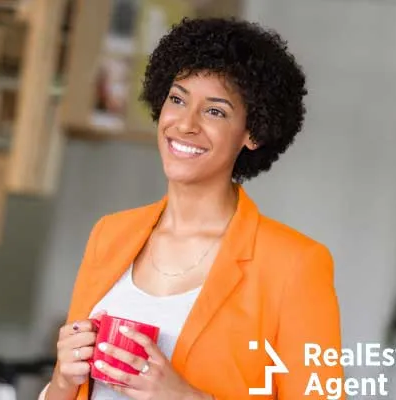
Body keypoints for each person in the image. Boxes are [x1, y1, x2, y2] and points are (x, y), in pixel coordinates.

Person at [42, 17, 344, 400]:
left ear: (253, 132)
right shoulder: (110, 234)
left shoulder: (295, 265)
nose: (185, 124)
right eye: (178, 99)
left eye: (214, 111)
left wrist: (185, 397)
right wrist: (64, 382)